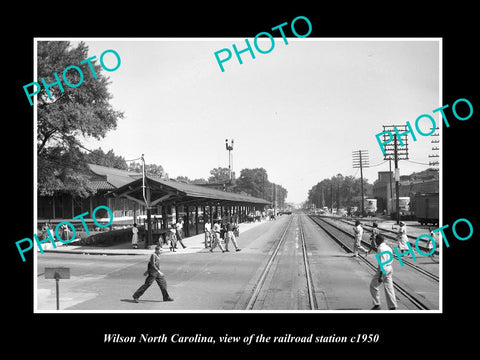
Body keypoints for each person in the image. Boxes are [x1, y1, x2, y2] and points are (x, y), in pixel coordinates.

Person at [370, 234, 397, 310]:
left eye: (376, 240)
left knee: (373, 285)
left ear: (379, 240)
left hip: (383, 269)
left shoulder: (380, 248)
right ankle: (392, 306)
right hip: (389, 268)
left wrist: (380, 275)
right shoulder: (388, 247)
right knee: (389, 287)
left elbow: (382, 262)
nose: (375, 241)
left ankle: (377, 304)